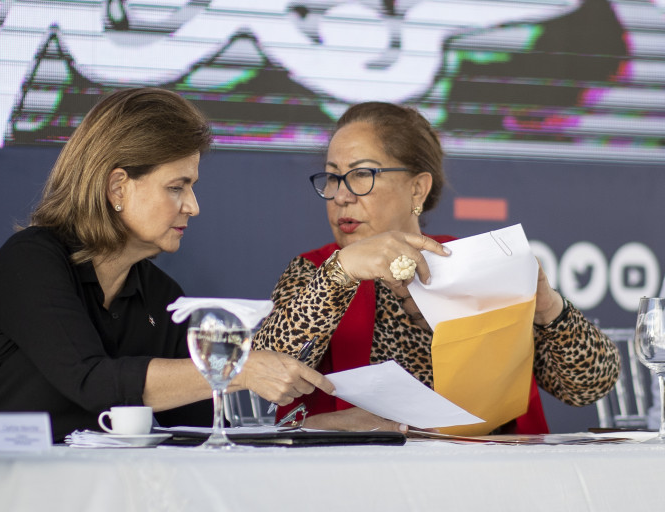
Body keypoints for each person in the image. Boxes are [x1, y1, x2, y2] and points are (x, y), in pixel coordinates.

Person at [0, 87, 333, 441]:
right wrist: (238, 369)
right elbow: (90, 380)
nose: (193, 206)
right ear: (118, 188)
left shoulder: (161, 294)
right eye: (176, 187)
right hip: (5, 476)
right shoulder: (30, 259)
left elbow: (198, 431)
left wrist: (320, 426)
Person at [252, 101, 620, 434]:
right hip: (361, 471)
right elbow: (265, 367)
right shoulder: (316, 270)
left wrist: (548, 307)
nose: (342, 196)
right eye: (333, 177)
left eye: (362, 174)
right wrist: (342, 272)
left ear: (417, 189)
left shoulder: (469, 262)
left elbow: (589, 386)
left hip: (486, 469)